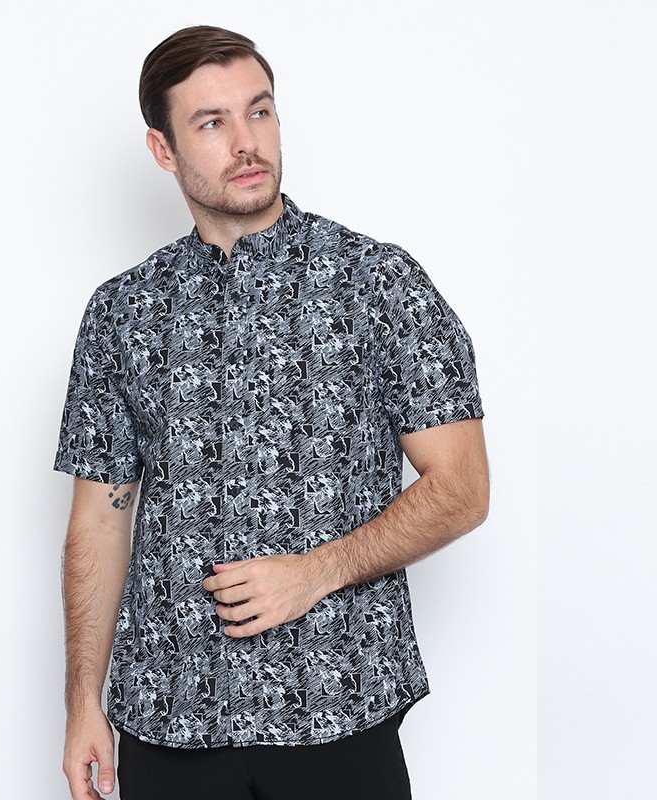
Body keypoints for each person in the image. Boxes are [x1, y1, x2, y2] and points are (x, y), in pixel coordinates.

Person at [54, 24, 489, 800]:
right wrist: (82, 701)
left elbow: (462, 488)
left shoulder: (378, 284)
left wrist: (318, 572)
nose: (246, 142)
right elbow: (98, 523)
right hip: (169, 712)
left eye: (259, 111)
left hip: (338, 705)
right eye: (211, 123)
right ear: (163, 149)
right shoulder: (124, 312)